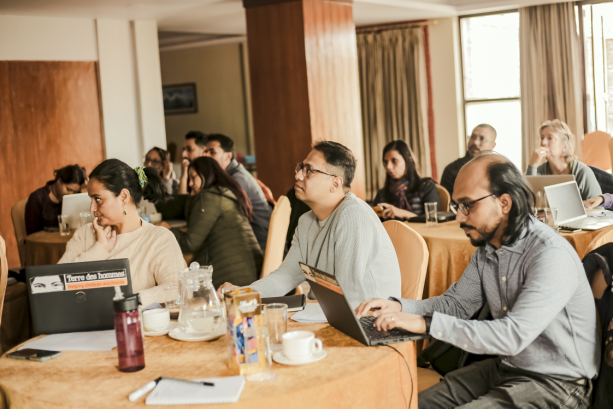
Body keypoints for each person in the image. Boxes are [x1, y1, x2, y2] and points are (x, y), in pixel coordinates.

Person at [355, 153, 599, 408]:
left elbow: (512, 336)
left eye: (468, 205)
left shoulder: (550, 253)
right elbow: (457, 304)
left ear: (504, 203)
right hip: (507, 366)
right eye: (457, 206)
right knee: (412, 404)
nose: (459, 217)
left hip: (560, 383)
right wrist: (401, 307)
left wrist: (425, 323)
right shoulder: (487, 250)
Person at [219, 141, 402, 304]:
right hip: (331, 314)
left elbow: (350, 296)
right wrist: (244, 293)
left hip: (371, 321)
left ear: (335, 184)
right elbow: (286, 276)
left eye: (309, 170)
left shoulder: (353, 215)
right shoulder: (306, 221)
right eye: (300, 168)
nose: (298, 176)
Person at [58, 159, 185, 307]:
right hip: (83, 325)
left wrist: (127, 301)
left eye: (98, 199)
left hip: (134, 326)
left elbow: (176, 289)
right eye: (91, 199)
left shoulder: (158, 238)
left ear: (124, 197)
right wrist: (99, 249)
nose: (92, 208)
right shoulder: (85, 234)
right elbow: (58, 285)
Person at [163, 157, 262, 289]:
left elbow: (191, 243)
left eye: (193, 177)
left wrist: (167, 231)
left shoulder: (208, 197)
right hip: (252, 272)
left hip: (231, 278)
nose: (190, 183)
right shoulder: (224, 193)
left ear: (206, 174)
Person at [205, 134, 272, 254]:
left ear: (228, 156)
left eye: (212, 152)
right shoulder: (229, 175)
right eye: (205, 151)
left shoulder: (237, 179)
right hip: (251, 239)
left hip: (260, 244)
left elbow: (220, 211)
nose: (205, 156)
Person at [527, 119, 601, 200]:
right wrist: (532, 165)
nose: (543, 142)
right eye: (542, 137)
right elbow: (527, 200)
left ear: (565, 146)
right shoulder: (539, 171)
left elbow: (598, 209)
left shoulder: (582, 172)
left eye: (550, 138)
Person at [373, 140, 439, 220]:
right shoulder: (382, 194)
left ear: (409, 161)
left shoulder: (426, 187)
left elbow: (433, 220)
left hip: (421, 232)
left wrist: (402, 213)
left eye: (394, 160)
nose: (388, 167)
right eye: (385, 162)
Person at [25, 165, 87, 235]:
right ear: (59, 180)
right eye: (68, 189)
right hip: (46, 242)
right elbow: (32, 234)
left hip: (69, 240)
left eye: (75, 191)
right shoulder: (38, 198)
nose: (71, 194)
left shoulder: (75, 196)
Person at [440, 124, 497, 197]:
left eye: (482, 139)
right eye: (473, 137)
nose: (475, 142)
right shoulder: (452, 169)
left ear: (493, 145)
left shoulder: (499, 169)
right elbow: (448, 203)